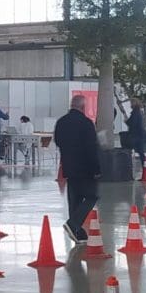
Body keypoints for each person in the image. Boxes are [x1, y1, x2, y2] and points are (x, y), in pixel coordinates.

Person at [54, 95, 100, 243]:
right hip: (85, 168)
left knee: (74, 199)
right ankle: (73, 224)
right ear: (83, 107)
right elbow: (91, 148)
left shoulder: (61, 122)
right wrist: (97, 168)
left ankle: (77, 232)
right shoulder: (86, 123)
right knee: (92, 196)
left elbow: (57, 141)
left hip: (68, 166)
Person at [125, 97, 146, 171]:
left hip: (135, 135)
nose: (130, 104)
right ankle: (145, 167)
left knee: (129, 150)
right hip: (139, 134)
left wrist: (127, 121)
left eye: (132, 102)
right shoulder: (138, 111)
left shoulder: (135, 112)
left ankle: (129, 168)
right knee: (141, 152)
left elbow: (133, 123)